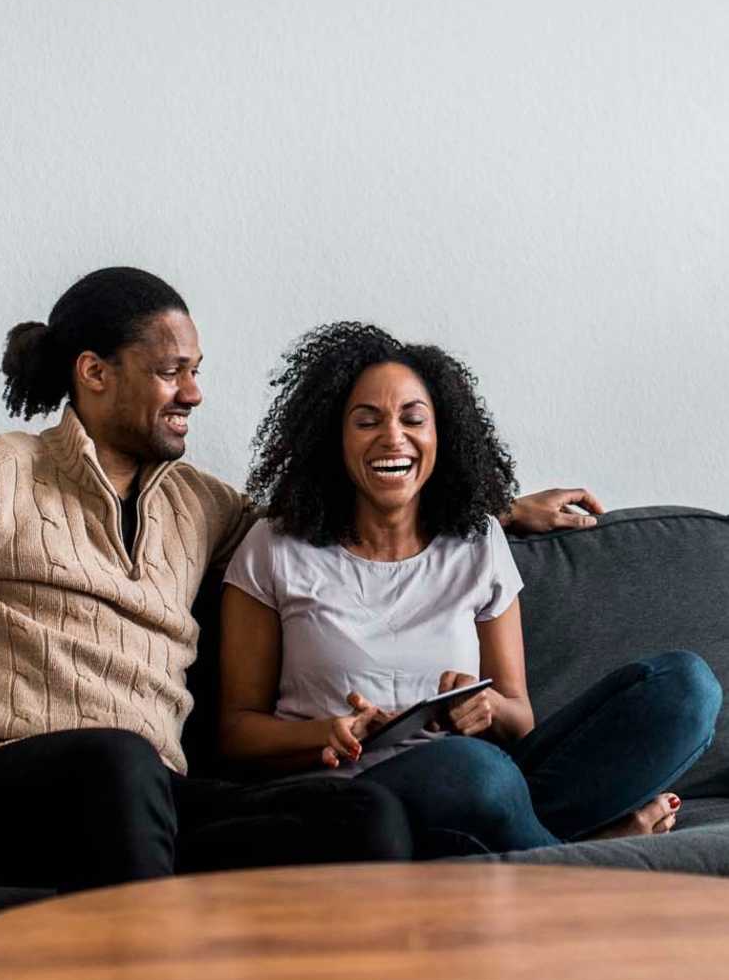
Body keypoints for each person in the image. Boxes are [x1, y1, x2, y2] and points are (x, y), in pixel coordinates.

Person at [0, 270, 600, 888]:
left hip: (154, 800)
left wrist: (492, 504)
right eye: (172, 371)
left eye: (197, 370)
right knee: (118, 762)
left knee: (363, 815)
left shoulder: (198, 507)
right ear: (94, 373)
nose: (195, 393)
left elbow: (327, 514)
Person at [219, 322, 722, 858]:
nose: (393, 437)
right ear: (333, 438)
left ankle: (535, 848)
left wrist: (485, 709)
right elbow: (234, 732)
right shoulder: (275, 547)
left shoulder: (477, 540)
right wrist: (330, 732)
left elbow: (518, 714)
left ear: (443, 435)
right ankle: (585, 863)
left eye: (414, 419)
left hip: (487, 781)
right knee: (471, 770)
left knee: (686, 688)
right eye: (367, 421)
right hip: (359, 799)